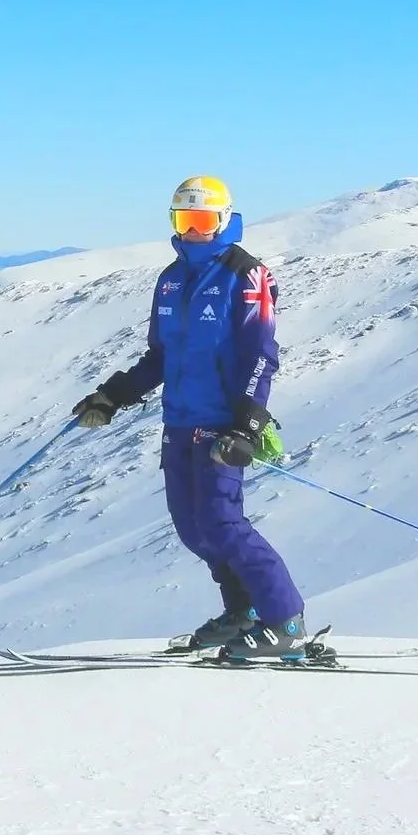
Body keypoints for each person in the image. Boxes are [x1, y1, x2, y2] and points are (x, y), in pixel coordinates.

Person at [70, 176, 307, 662]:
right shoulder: (171, 279)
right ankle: (243, 611)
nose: (195, 232)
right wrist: (112, 396)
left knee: (223, 522)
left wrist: (247, 424)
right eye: (185, 221)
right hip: (179, 420)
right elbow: (160, 356)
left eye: (204, 221)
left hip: (222, 422)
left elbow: (260, 355)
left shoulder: (246, 275)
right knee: (193, 528)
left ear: (224, 221)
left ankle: (285, 621)